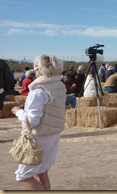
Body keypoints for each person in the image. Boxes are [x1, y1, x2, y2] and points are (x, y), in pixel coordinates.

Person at [11, 54, 66, 190]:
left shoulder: (39, 90)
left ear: (40, 70)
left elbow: (32, 121)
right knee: (42, 171)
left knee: (23, 175)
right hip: (53, 133)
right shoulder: (59, 85)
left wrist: (18, 112)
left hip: (39, 136)